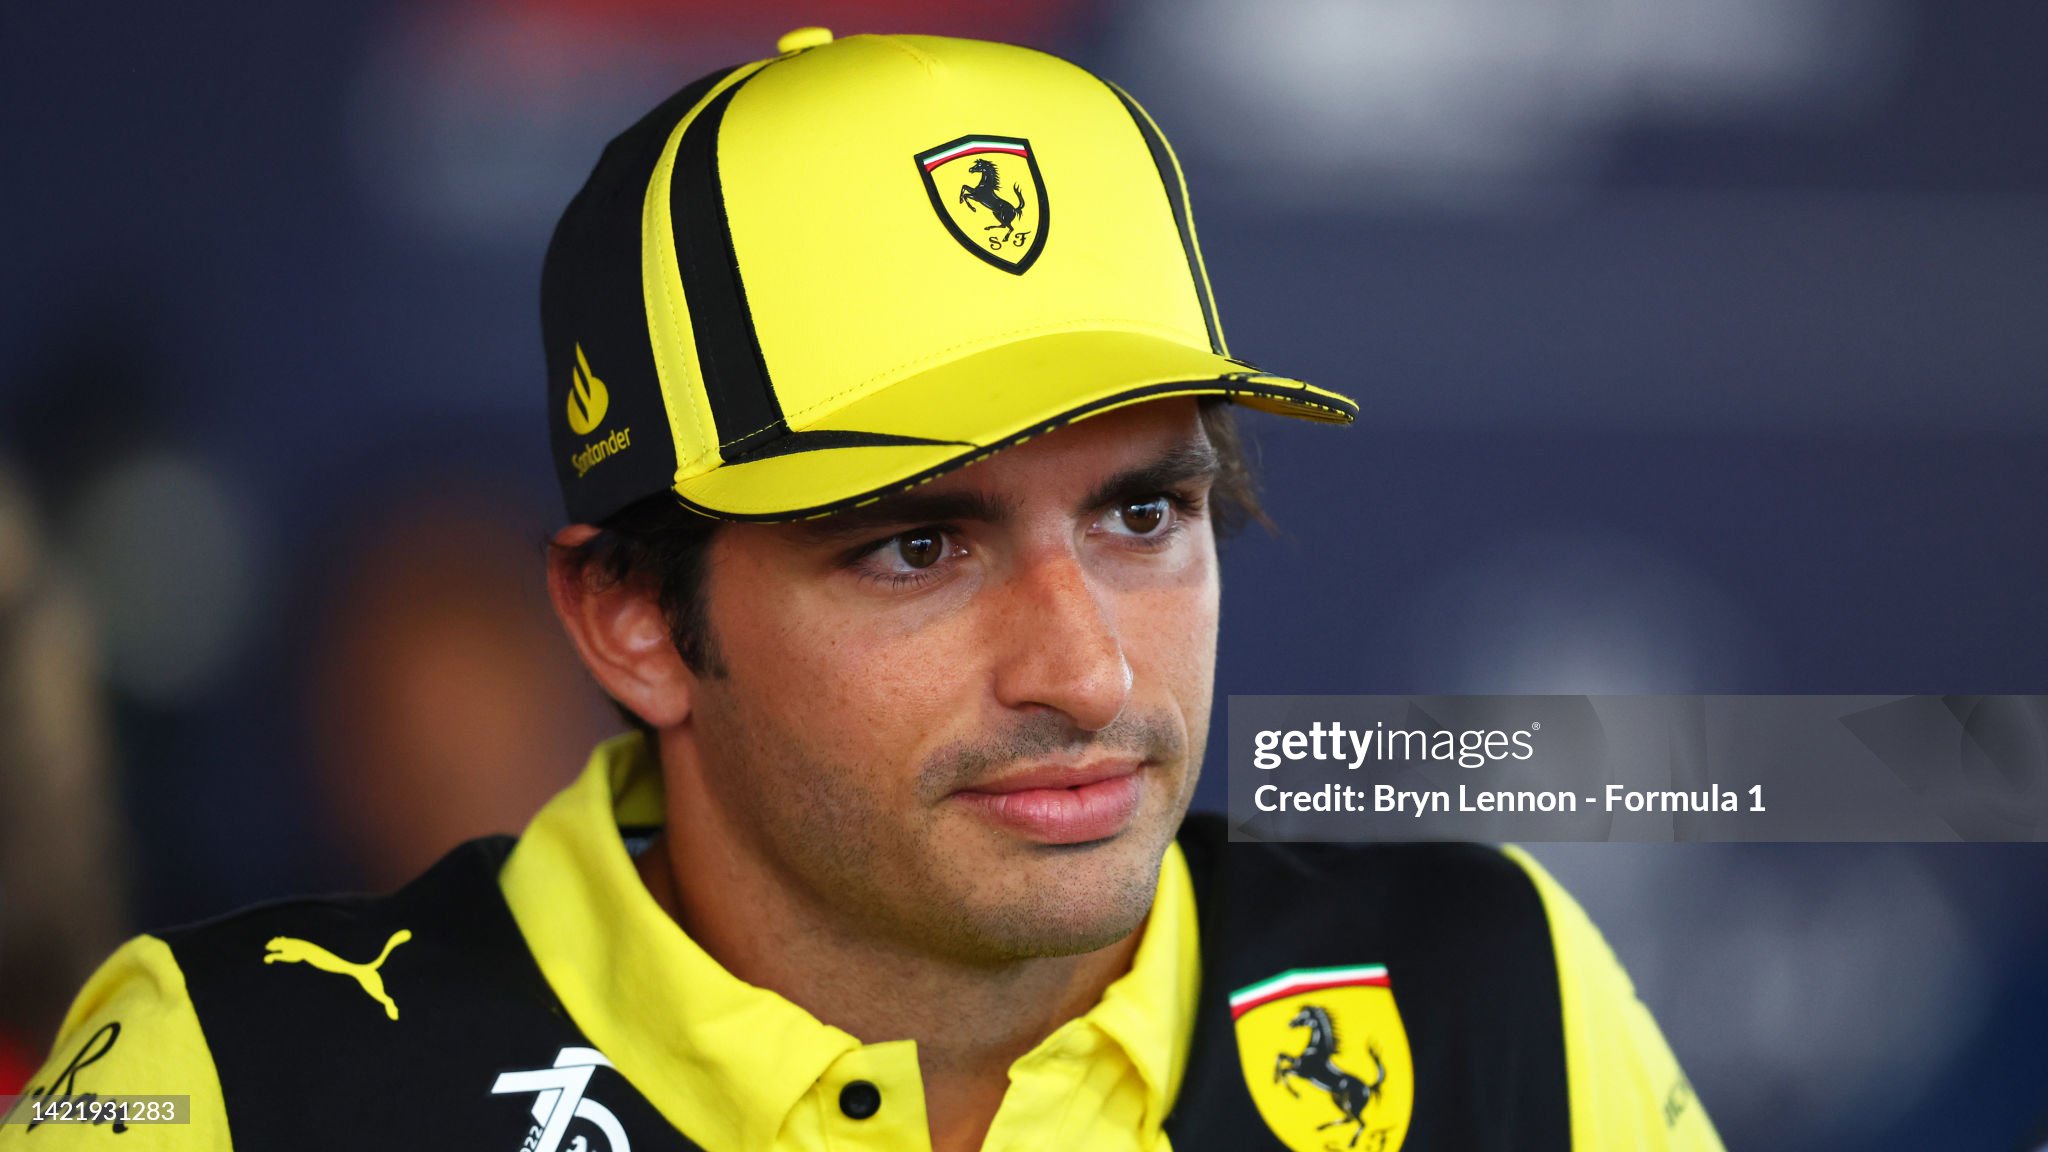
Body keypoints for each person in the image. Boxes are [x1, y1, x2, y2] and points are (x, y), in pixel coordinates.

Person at [4, 29, 1722, 1152]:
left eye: (1142, 513)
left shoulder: (1498, 1001)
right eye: (916, 544)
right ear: (630, 619)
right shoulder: (234, 1083)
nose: (1082, 663)